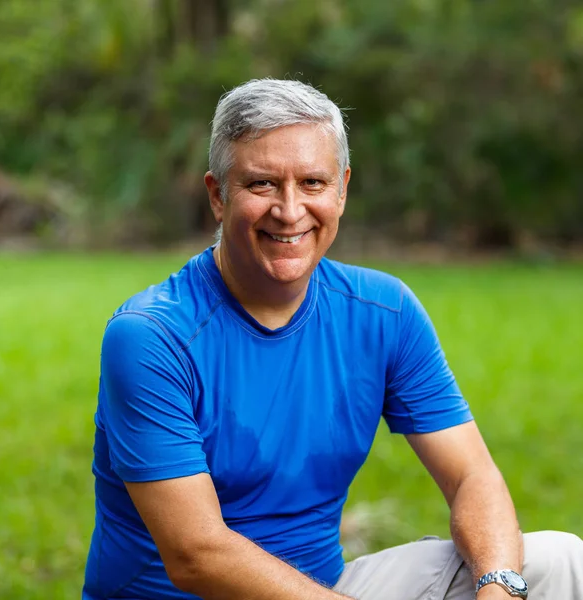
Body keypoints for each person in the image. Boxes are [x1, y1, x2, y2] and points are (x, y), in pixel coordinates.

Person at [82, 78, 583, 600]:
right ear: (217, 195)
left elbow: (472, 476)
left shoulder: (384, 312)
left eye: (313, 183)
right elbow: (196, 555)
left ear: (342, 188)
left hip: (327, 589)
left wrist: (498, 589)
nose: (290, 210)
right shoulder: (151, 337)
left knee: (563, 561)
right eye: (262, 184)